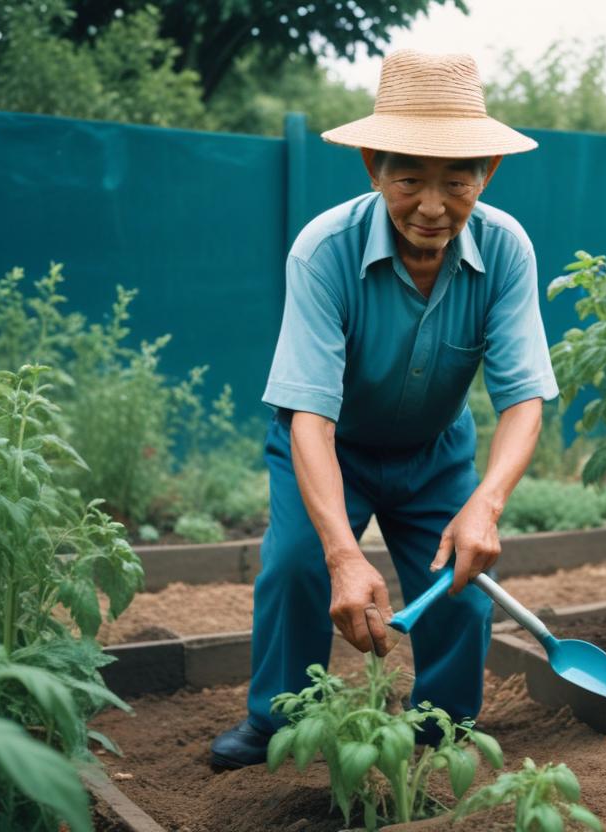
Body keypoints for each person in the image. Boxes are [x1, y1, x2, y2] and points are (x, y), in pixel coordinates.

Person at [210, 49, 556, 768]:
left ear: (486, 172)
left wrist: (486, 503)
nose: (433, 206)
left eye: (457, 181)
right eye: (409, 180)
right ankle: (277, 720)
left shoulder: (507, 249)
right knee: (299, 566)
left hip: (435, 455)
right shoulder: (324, 251)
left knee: (460, 589)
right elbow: (309, 416)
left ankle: (442, 727)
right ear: (373, 165)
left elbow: (523, 397)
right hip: (328, 447)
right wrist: (344, 553)